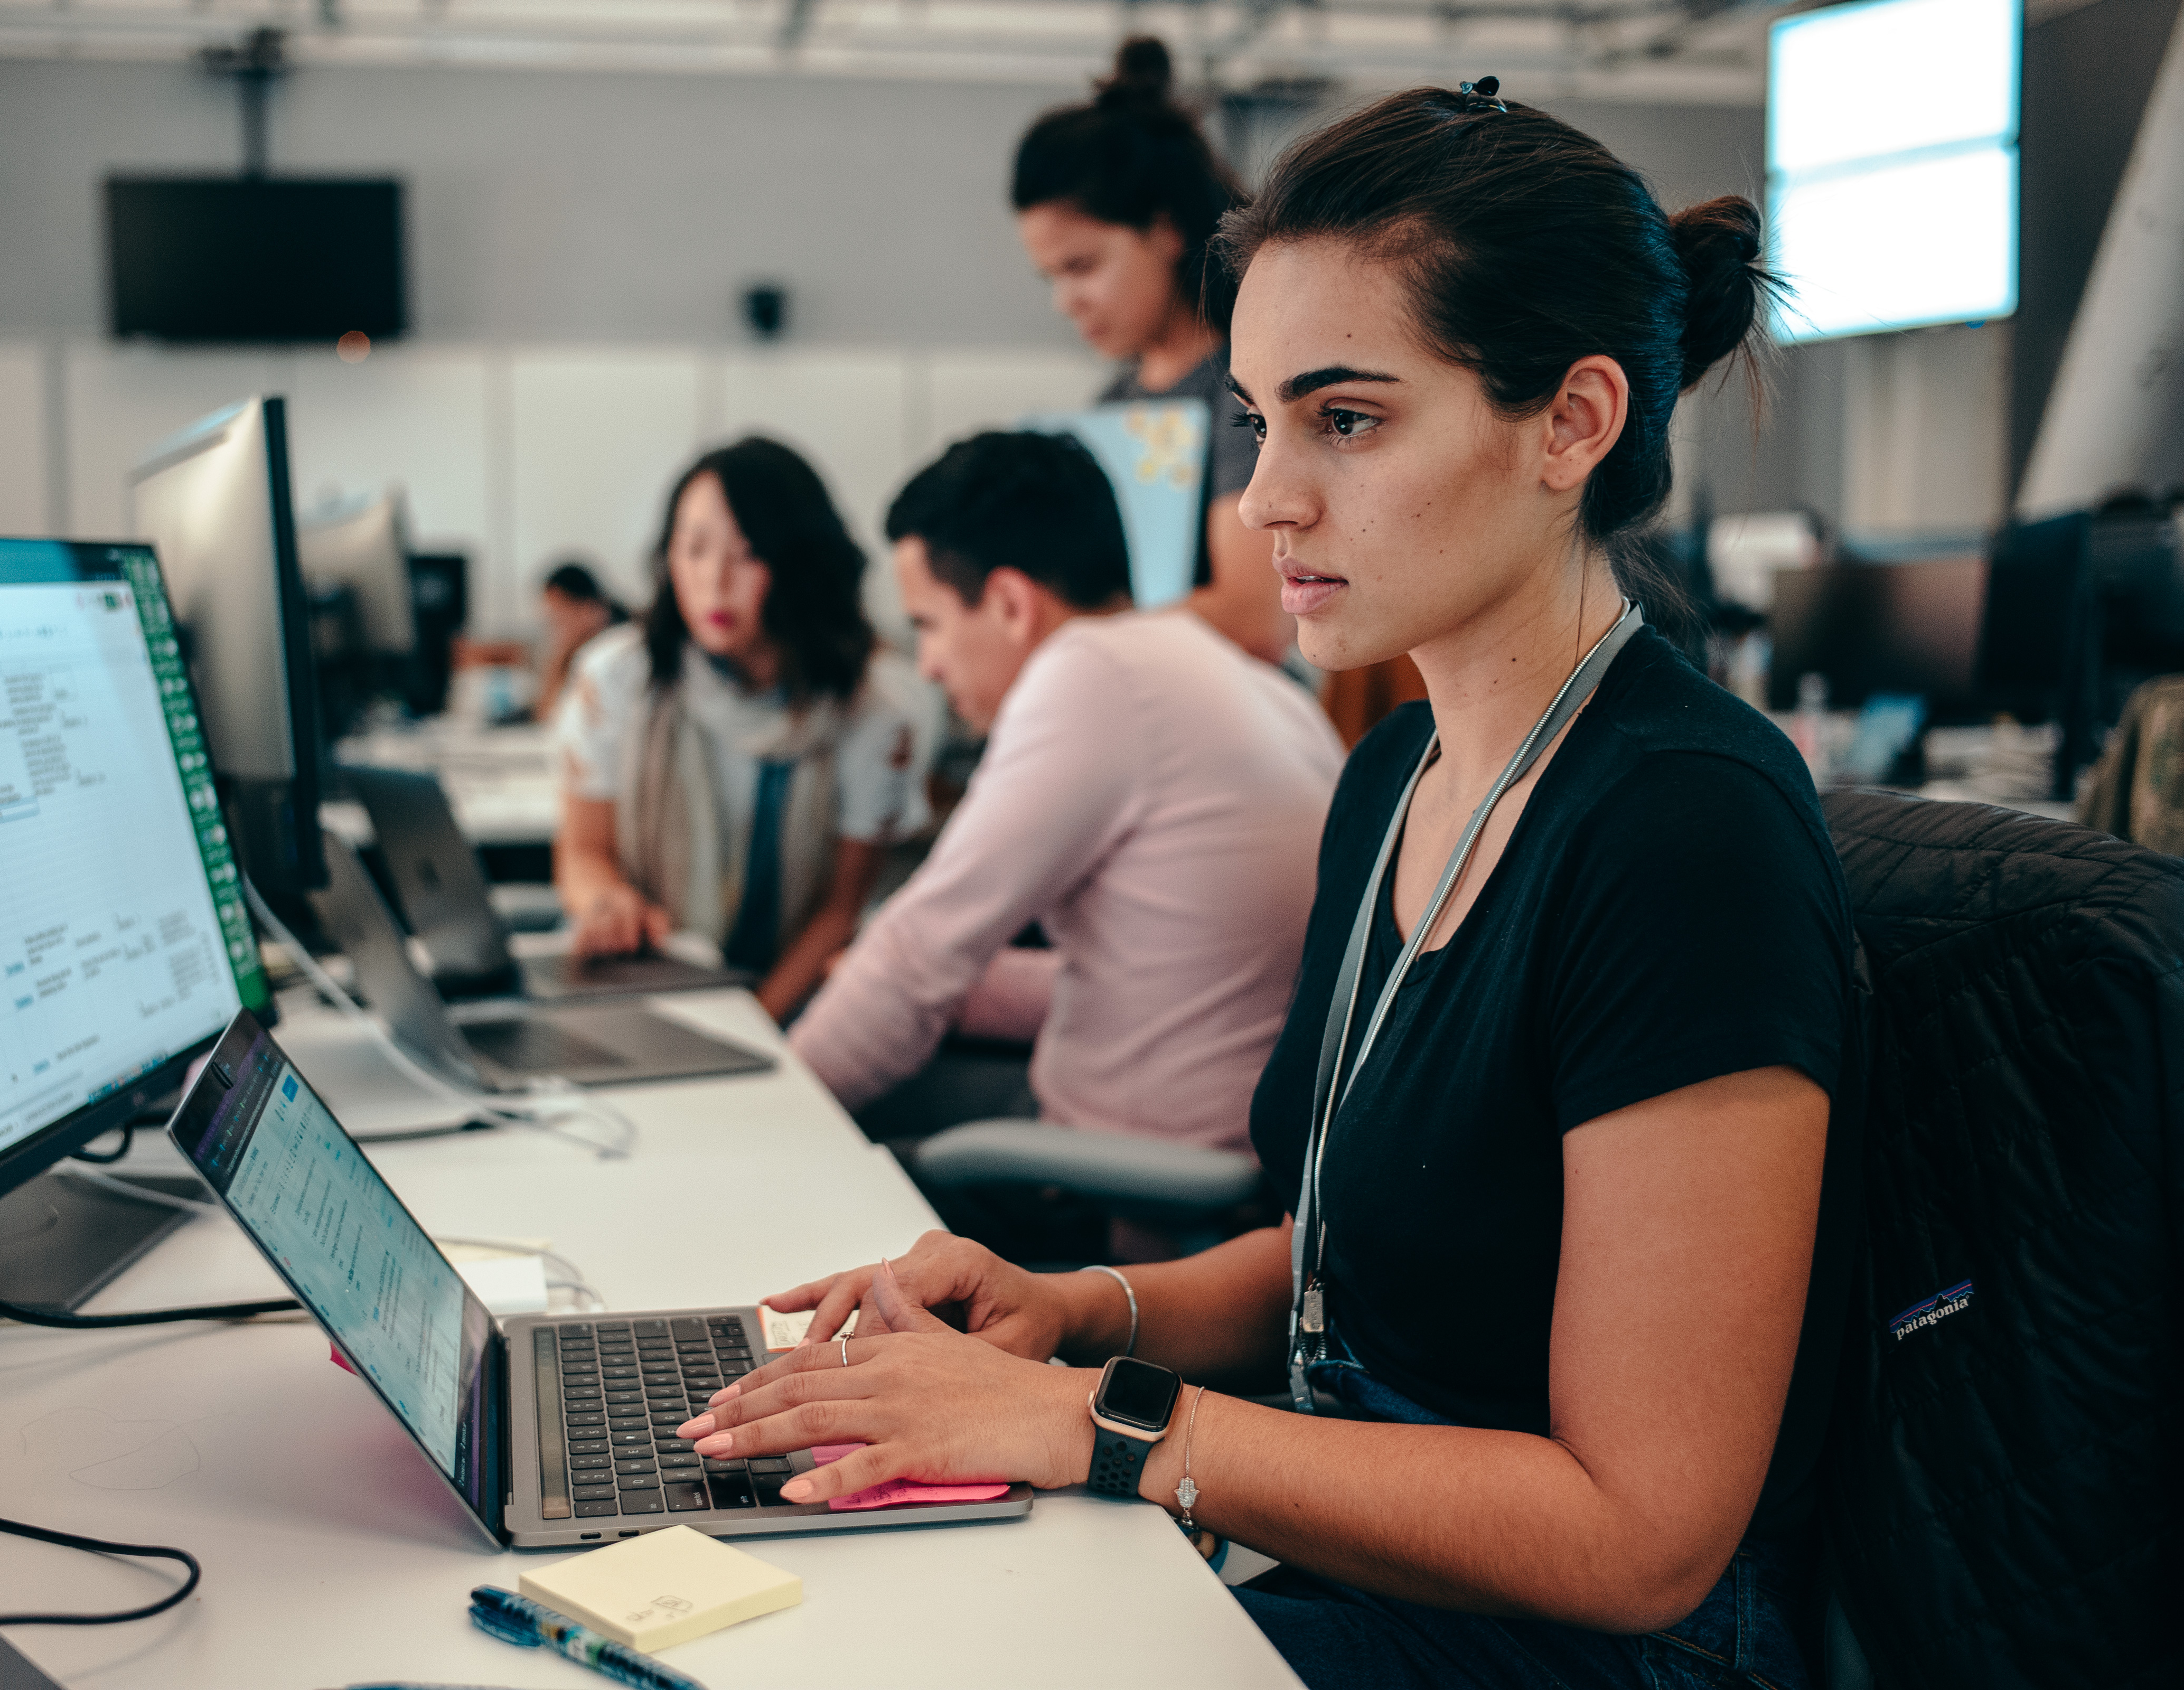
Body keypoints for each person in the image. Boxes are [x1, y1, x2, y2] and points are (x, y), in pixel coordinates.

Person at [679, 86, 1859, 1690]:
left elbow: (1638, 1536)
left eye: (1344, 420)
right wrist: (1076, 1308)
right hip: (1346, 1552)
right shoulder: (1394, 777)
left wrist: (1097, 1421)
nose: (1263, 499)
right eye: (1255, 423)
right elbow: (1341, 1264)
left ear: (1570, 424)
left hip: (1578, 1648)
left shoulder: (1686, 828)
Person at [790, 430, 1340, 1170]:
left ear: (1011, 604)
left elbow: (916, 959)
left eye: (929, 625)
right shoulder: (1247, 681)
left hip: (1123, 1182)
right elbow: (1177, 980)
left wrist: (754, 1121)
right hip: (1245, 1160)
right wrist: (976, 986)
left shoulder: (1091, 673)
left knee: (815, 1144)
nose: (928, 667)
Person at [551, 437, 929, 1024]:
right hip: (635, 989)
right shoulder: (620, 677)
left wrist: (754, 1022)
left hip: (790, 1002)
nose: (714, 580)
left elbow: (838, 912)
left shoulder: (869, 713)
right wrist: (607, 902)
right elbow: (583, 852)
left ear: (800, 562)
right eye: (694, 549)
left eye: (748, 554)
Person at [1011, 37, 1287, 666]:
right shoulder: (1113, 402)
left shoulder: (1244, 388)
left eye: (1082, 267)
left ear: (1165, 230)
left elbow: (1254, 617)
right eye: (1050, 277)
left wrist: (1069, 637)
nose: (1066, 302)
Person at [531, 559, 626, 721]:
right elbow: (545, 711)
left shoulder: (616, 652)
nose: (555, 628)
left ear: (590, 609)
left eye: (558, 617)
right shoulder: (575, 650)